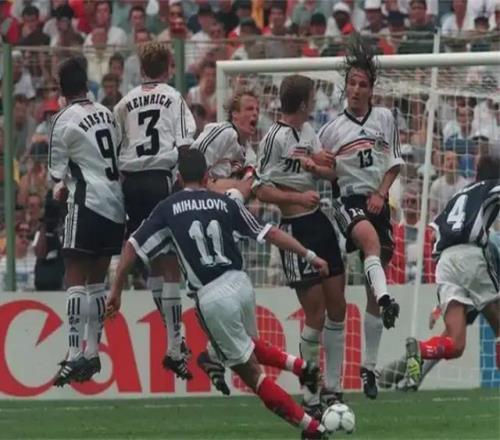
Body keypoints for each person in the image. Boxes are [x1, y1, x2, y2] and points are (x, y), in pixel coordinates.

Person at [106, 149, 329, 440]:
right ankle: (300, 367)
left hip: (212, 296)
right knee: (247, 345)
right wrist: (310, 255)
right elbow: (270, 233)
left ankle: (312, 428)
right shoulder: (224, 202)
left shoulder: (167, 207)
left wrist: (116, 289)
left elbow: (132, 246)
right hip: (241, 283)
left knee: (252, 375)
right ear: (207, 176)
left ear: (178, 178)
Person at [254, 75, 346, 416]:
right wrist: (296, 196)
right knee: (316, 314)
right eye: (312, 98)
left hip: (320, 223)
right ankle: (311, 395)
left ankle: (334, 389)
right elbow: (260, 189)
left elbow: (329, 171)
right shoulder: (273, 139)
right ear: (304, 103)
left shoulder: (308, 132)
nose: (315, 103)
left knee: (338, 307)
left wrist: (320, 166)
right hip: (295, 229)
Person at [317, 36, 402, 399]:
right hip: (347, 202)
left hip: (377, 202)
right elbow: (326, 172)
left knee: (370, 282)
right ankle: (386, 299)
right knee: (368, 242)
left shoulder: (385, 118)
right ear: (345, 87)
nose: (355, 89)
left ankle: (368, 368)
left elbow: (394, 162)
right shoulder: (330, 130)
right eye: (351, 83)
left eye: (362, 84)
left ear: (371, 89)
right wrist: (316, 166)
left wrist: (382, 193)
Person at [113, 42, 197, 380]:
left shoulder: (123, 102)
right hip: (160, 179)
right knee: (169, 262)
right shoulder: (173, 97)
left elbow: (115, 146)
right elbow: (185, 143)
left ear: (142, 69)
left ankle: (175, 340)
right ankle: (174, 346)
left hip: (131, 184)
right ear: (168, 68)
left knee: (153, 263)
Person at [48, 57, 125, 386]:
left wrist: (60, 190)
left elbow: (56, 173)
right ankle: (92, 352)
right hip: (115, 205)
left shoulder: (63, 119)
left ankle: (72, 353)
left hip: (87, 202)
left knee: (74, 276)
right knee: (97, 282)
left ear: (62, 89)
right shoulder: (106, 113)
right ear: (86, 85)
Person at [405, 155, 500, 386]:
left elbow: (435, 230)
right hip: (471, 255)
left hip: (445, 263)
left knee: (456, 344)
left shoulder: (459, 194)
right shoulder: (491, 186)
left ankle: (421, 349)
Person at [190, 90, 259, 201]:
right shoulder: (224, 132)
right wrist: (218, 189)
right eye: (249, 109)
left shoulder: (249, 152)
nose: (255, 113)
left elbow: (249, 185)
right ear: (235, 114)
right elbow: (191, 163)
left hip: (220, 200)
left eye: (257, 110)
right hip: (196, 193)